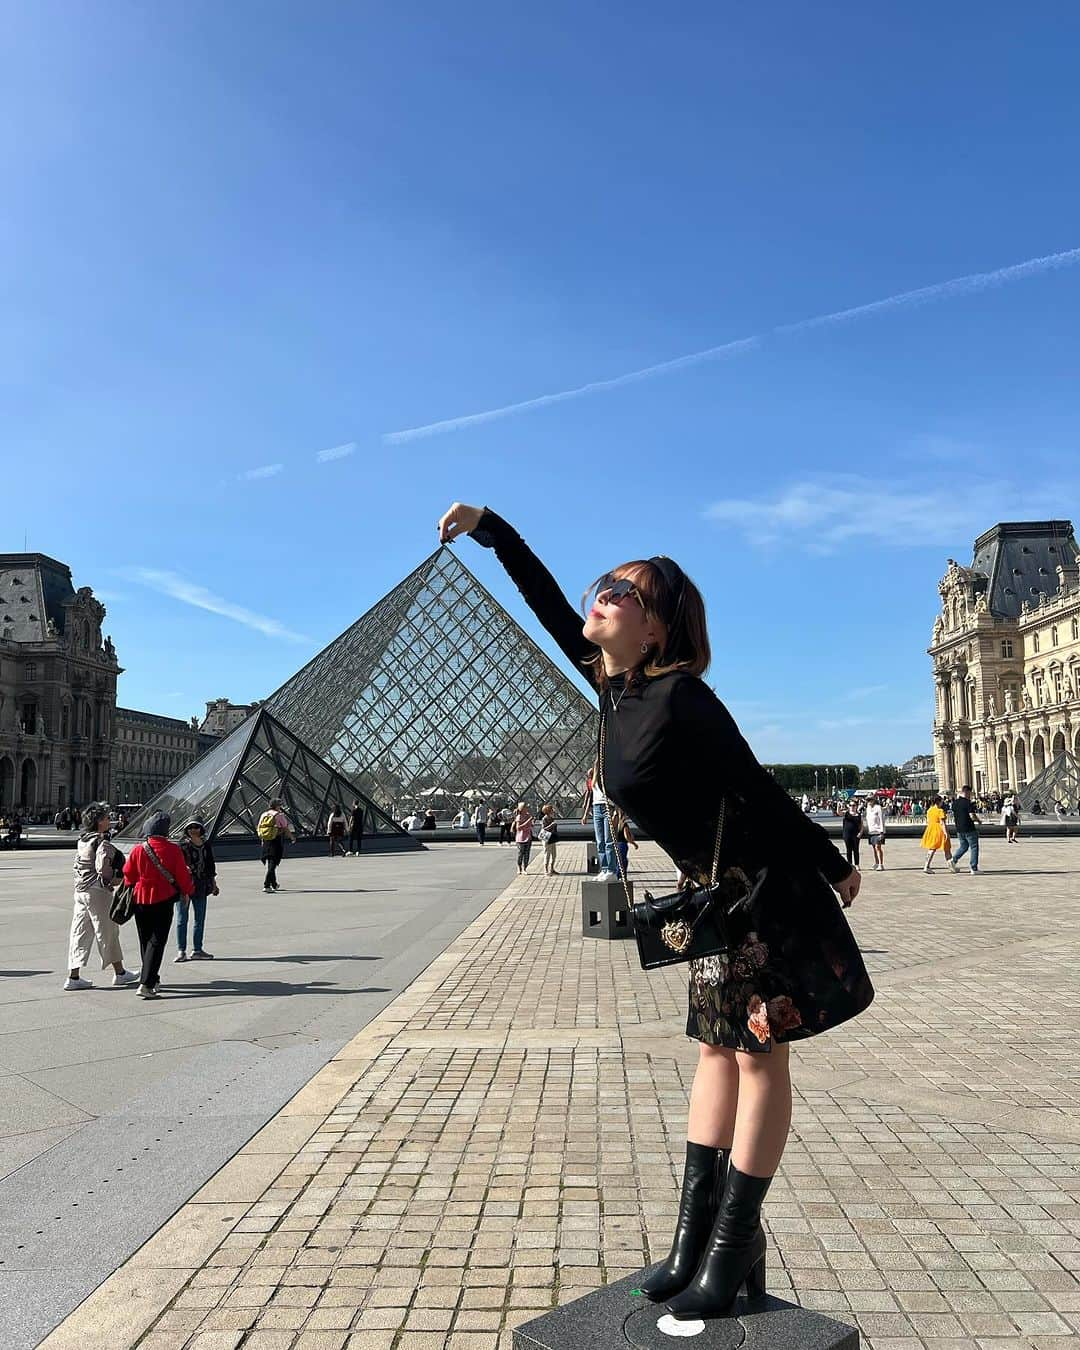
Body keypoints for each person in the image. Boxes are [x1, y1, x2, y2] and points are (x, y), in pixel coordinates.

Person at [438, 501, 869, 1322]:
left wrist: (831, 862)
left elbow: (756, 785)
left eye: (622, 591)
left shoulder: (681, 700)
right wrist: (490, 527)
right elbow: (544, 598)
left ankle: (733, 1242)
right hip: (711, 899)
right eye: (603, 584)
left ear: (658, 630)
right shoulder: (613, 686)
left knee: (757, 1058)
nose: (600, 595)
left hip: (763, 893)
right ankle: (693, 1240)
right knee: (714, 1054)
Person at [64, 803, 139, 991]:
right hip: (97, 892)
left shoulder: (83, 840)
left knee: (80, 932)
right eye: (106, 818)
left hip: (80, 891)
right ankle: (120, 974)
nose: (109, 820)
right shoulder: (101, 842)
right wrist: (114, 881)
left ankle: (73, 976)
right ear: (99, 822)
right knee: (108, 931)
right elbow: (103, 870)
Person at [122, 812, 194, 999]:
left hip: (140, 899)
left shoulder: (139, 849)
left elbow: (128, 875)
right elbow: (182, 877)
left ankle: (153, 978)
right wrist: (187, 891)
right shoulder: (173, 849)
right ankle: (146, 984)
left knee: (145, 940)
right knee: (157, 941)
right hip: (163, 899)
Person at [176, 819, 218, 960]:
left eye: (196, 827)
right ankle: (181, 950)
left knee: (199, 920)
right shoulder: (181, 846)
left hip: (201, 886)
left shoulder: (206, 845)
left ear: (201, 829)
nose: (193, 830)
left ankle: (197, 950)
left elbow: (210, 866)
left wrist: (214, 884)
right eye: (190, 827)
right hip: (185, 886)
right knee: (182, 919)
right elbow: (177, 867)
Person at [583, 763, 616, 880]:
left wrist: (616, 810)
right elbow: (589, 796)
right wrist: (586, 813)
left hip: (608, 806)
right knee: (600, 841)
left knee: (608, 841)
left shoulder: (607, 776)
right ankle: (604, 869)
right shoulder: (593, 779)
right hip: (596, 807)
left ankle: (611, 870)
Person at [258, 798, 294, 892]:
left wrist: (262, 839)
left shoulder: (264, 814)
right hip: (276, 840)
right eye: (280, 805)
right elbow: (285, 828)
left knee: (270, 862)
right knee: (273, 863)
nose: (281, 807)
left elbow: (260, 828)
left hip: (266, 840)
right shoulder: (279, 815)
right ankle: (266, 885)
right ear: (277, 806)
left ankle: (274, 884)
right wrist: (292, 837)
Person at [950, 785, 981, 875]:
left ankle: (953, 860)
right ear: (967, 792)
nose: (970, 795)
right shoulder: (968, 803)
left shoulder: (955, 803)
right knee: (974, 847)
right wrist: (978, 821)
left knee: (963, 846)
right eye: (970, 793)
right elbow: (972, 816)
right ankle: (973, 868)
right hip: (969, 828)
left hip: (959, 829)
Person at [920, 794, 953, 872]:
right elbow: (942, 823)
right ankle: (952, 867)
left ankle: (926, 866)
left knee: (932, 848)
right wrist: (946, 833)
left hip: (930, 829)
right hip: (939, 830)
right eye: (941, 801)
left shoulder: (929, 810)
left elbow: (928, 821)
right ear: (938, 802)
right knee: (947, 848)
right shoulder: (940, 810)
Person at [610, 805, 638, 877]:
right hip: (623, 844)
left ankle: (617, 875)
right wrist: (634, 843)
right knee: (623, 861)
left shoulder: (614, 824)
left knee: (618, 861)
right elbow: (627, 837)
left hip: (616, 844)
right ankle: (621, 876)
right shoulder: (624, 825)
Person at [840, 800, 863, 874]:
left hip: (856, 835)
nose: (852, 807)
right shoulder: (846, 813)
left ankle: (857, 864)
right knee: (848, 850)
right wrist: (838, 805)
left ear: (856, 806)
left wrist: (860, 833)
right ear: (848, 806)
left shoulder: (859, 815)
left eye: (853, 805)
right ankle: (849, 864)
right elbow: (839, 813)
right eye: (850, 805)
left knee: (856, 850)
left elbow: (861, 826)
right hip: (847, 834)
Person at [864, 795, 886, 871]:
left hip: (878, 830)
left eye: (870, 800)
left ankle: (881, 864)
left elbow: (881, 819)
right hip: (871, 831)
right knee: (874, 848)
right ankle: (876, 862)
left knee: (878, 847)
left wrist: (882, 832)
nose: (869, 801)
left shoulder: (878, 808)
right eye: (867, 800)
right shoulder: (868, 808)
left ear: (874, 800)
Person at [512, 801, 534, 873]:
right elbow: (518, 828)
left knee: (527, 854)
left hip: (528, 837)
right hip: (521, 838)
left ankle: (525, 868)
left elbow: (531, 825)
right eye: (526, 807)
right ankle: (519, 867)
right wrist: (528, 821)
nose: (527, 808)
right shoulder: (519, 816)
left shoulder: (528, 815)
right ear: (522, 808)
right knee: (520, 854)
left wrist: (532, 822)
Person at [538, 804, 559, 874]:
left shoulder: (552, 817)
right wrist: (551, 825)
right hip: (546, 838)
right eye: (552, 809)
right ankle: (546, 870)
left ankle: (552, 868)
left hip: (552, 837)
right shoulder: (544, 818)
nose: (553, 810)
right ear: (548, 811)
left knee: (554, 854)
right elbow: (543, 828)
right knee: (547, 854)